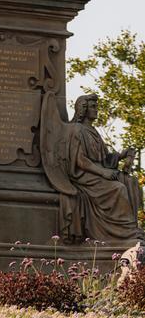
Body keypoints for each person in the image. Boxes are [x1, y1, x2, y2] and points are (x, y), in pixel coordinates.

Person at [42, 93, 143, 244]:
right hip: (84, 175)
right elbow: (80, 160)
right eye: (93, 107)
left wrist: (122, 155)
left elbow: (105, 158)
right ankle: (124, 233)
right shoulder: (76, 130)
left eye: (97, 107)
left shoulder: (94, 132)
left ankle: (130, 229)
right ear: (83, 109)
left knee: (131, 182)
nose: (96, 110)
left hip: (98, 173)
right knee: (118, 188)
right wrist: (104, 172)